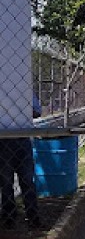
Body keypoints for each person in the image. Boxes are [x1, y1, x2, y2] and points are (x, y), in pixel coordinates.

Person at [0, 97, 41, 229]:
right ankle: (9, 217)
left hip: (23, 139)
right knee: (6, 182)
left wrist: (19, 108)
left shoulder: (25, 89)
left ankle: (33, 217)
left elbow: (37, 111)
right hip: (3, 139)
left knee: (27, 180)